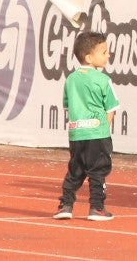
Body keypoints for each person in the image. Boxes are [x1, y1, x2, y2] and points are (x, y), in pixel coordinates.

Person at [53, 31, 118, 222]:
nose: (108, 55)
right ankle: (97, 207)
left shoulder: (71, 79)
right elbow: (111, 108)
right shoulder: (103, 80)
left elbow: (67, 105)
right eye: (104, 52)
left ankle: (66, 204)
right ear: (89, 57)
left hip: (76, 133)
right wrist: (104, 130)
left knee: (75, 169)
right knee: (98, 171)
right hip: (97, 133)